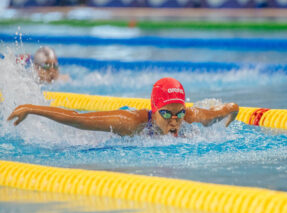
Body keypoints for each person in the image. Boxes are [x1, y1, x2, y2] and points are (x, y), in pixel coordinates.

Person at [7, 77, 239, 137]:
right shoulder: (128, 123)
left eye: (180, 113)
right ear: (155, 109)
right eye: (167, 113)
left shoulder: (193, 117)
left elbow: (227, 109)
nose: (175, 120)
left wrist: (233, 110)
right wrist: (30, 107)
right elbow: (77, 117)